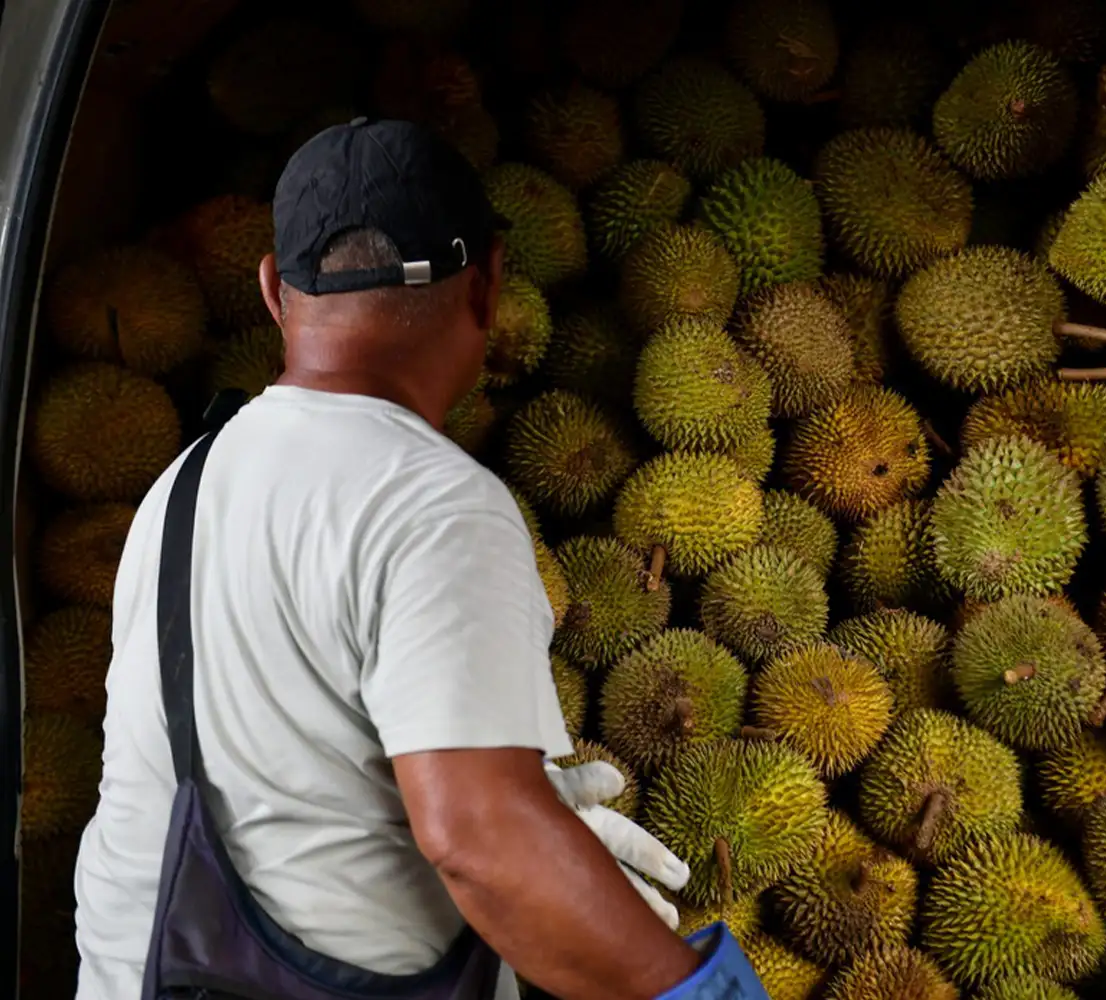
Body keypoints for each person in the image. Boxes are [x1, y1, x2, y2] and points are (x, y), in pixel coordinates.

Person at [71, 118, 757, 1000]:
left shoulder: (182, 485)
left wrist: (524, 808)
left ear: (276, 292)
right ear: (488, 286)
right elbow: (482, 843)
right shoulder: (436, 502)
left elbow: (286, 753)